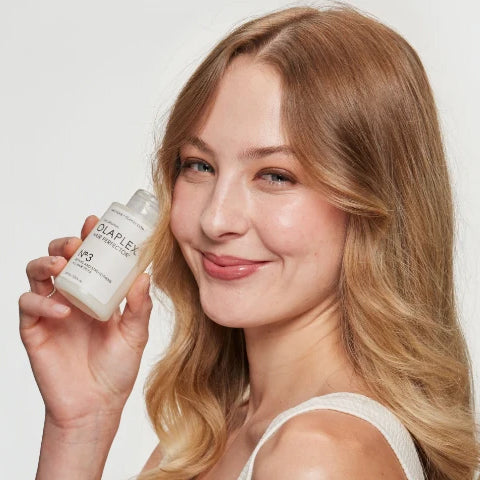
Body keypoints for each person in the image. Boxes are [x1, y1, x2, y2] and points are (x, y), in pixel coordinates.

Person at [19, 4, 480, 480]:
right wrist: (80, 426)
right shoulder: (211, 434)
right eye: (199, 165)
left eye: (275, 175)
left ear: (372, 203)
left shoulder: (315, 457)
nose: (215, 219)